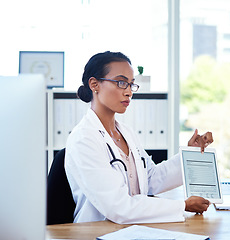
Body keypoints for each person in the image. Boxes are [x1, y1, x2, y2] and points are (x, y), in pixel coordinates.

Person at [65, 51, 213, 224]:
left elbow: (151, 179)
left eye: (131, 84)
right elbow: (118, 207)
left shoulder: (126, 133)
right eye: (121, 83)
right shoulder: (84, 139)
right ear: (94, 84)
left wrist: (190, 154)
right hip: (98, 231)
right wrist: (181, 206)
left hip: (132, 229)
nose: (128, 92)